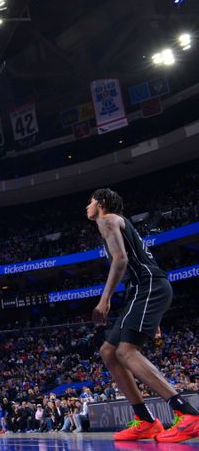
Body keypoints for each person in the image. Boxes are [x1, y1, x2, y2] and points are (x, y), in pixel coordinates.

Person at [88, 188, 199, 443]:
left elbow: (120, 260)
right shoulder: (120, 223)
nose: (87, 207)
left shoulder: (107, 220)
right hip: (144, 289)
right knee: (108, 351)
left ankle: (187, 413)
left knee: (126, 351)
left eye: (90, 202)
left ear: (102, 203)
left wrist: (104, 300)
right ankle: (146, 421)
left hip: (148, 287)